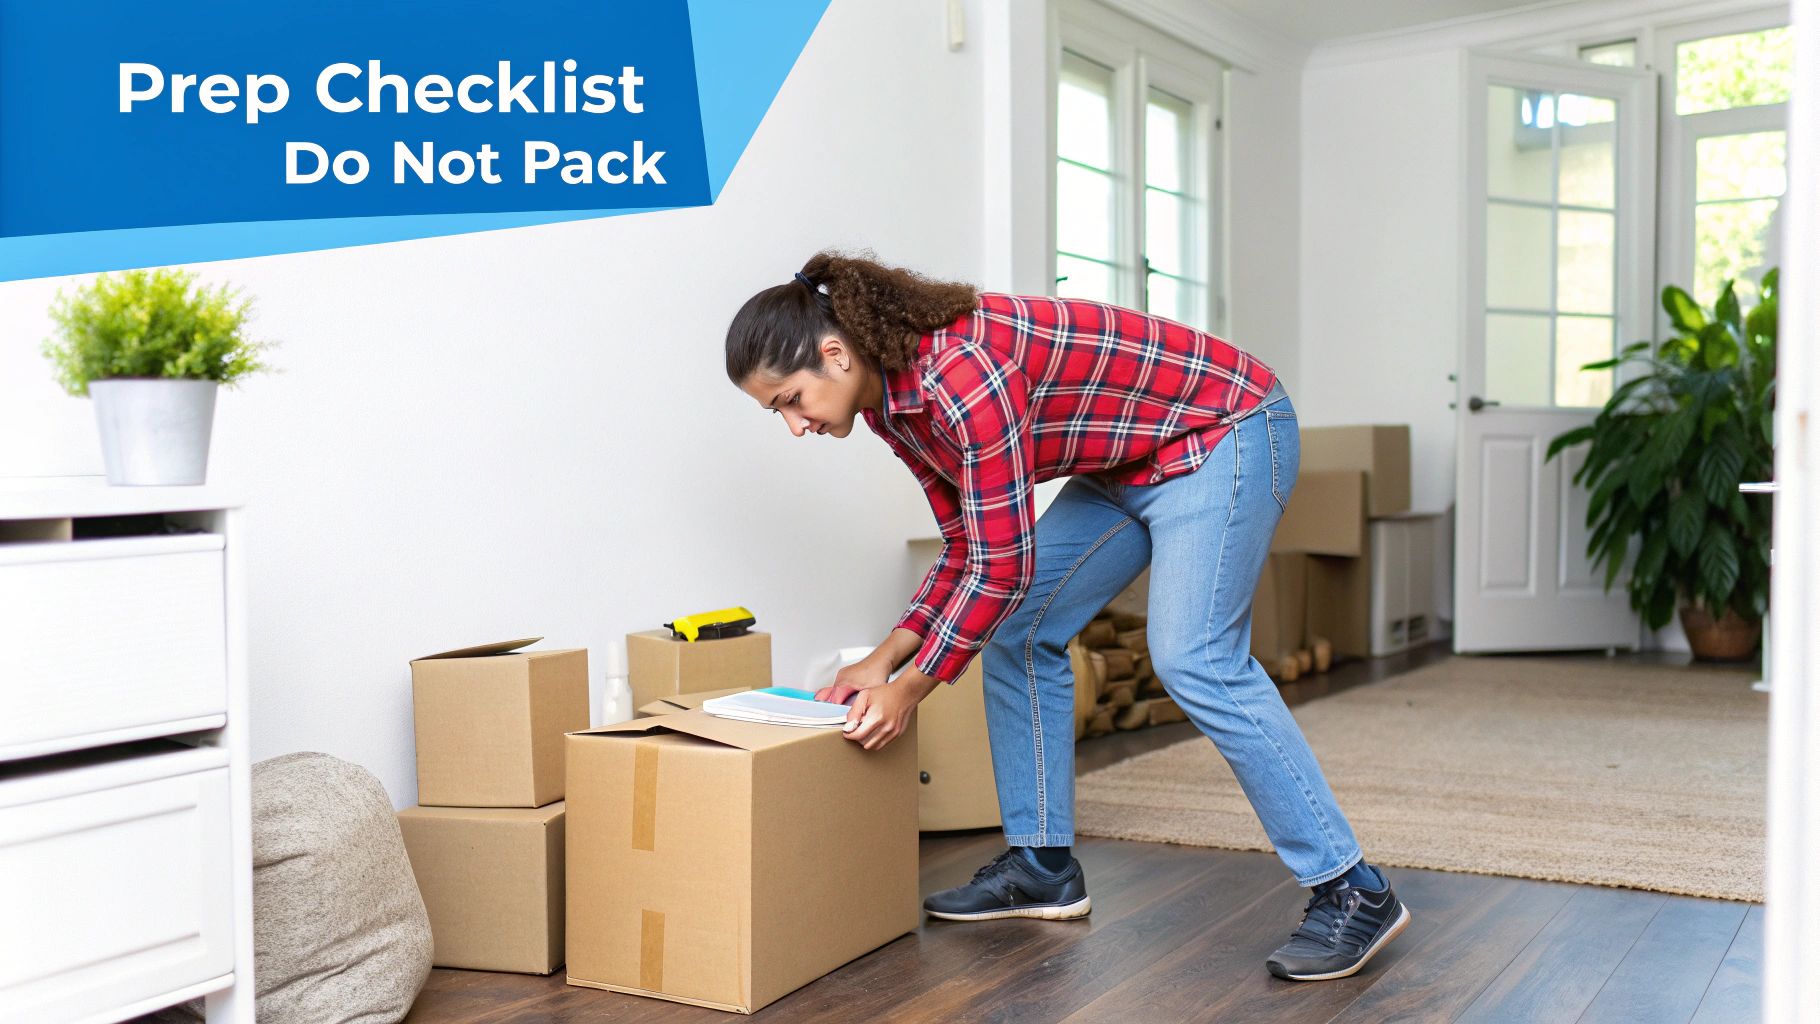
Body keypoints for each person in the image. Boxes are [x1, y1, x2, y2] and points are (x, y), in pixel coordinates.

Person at [725, 251, 1411, 982]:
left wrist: (910, 687)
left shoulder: (962, 377)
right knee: (1020, 631)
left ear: (834, 354)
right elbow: (970, 541)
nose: (795, 425)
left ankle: (1353, 890)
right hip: (1125, 465)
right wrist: (884, 656)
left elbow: (1002, 564)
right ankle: (1043, 865)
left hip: (1224, 433)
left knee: (1195, 657)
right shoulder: (891, 405)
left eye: (790, 401)